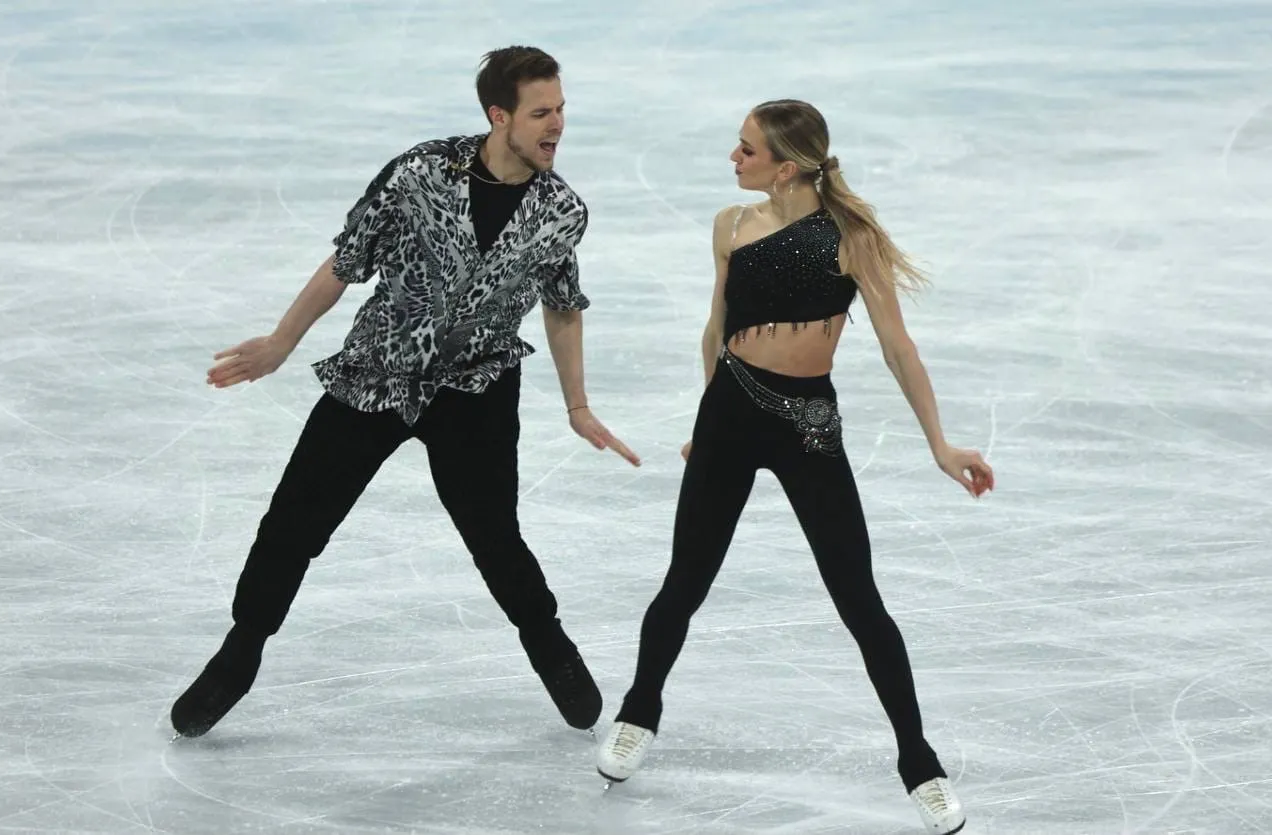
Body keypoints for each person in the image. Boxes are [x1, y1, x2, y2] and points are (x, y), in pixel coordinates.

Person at [170, 45, 640, 741]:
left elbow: (563, 305)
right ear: (499, 115)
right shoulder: (420, 174)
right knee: (293, 523)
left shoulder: (560, 210)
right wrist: (281, 341)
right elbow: (346, 261)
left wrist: (577, 404)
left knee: (495, 537)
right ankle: (239, 654)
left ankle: (548, 643)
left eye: (561, 109)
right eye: (541, 112)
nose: (557, 125)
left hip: (476, 387)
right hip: (377, 372)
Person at [594, 99, 992, 835]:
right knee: (685, 582)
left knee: (859, 600)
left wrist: (939, 444)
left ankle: (920, 762)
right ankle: (638, 711)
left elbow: (898, 347)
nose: (733, 158)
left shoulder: (850, 237)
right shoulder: (730, 226)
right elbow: (716, 329)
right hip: (730, 414)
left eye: (747, 149)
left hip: (809, 425)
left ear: (785, 167)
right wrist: (705, 421)